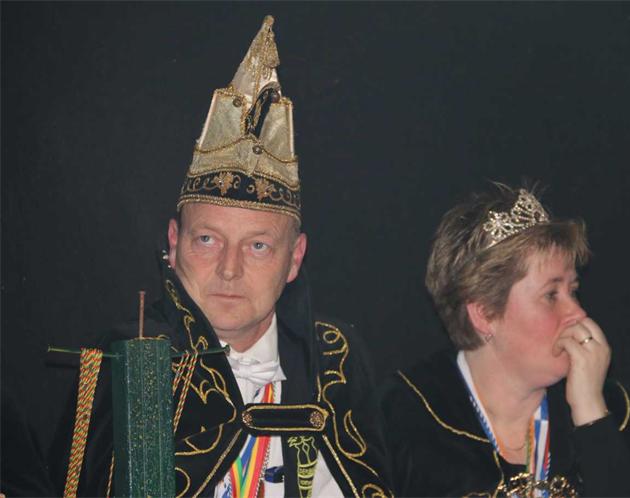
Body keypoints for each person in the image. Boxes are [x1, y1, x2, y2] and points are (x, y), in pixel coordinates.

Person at [46, 16, 390, 498]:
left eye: (258, 246)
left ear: (295, 259)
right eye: (208, 240)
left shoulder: (335, 359)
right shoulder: (130, 363)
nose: (229, 269)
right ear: (173, 243)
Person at [358, 184, 630, 497]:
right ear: (484, 314)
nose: (578, 312)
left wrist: (591, 416)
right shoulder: (403, 419)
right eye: (551, 295)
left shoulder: (607, 406)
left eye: (572, 291)